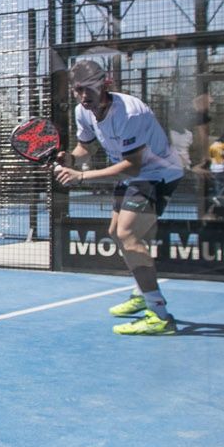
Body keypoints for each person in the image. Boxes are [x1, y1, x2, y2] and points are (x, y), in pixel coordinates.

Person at [54, 60, 187, 334]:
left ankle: (160, 315)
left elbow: (133, 165)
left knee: (127, 234)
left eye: (88, 89)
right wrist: (69, 158)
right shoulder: (83, 112)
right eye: (77, 90)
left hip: (158, 174)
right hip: (133, 177)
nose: (82, 96)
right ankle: (142, 293)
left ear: (106, 83)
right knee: (117, 231)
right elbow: (84, 148)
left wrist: (80, 177)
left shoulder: (130, 113)